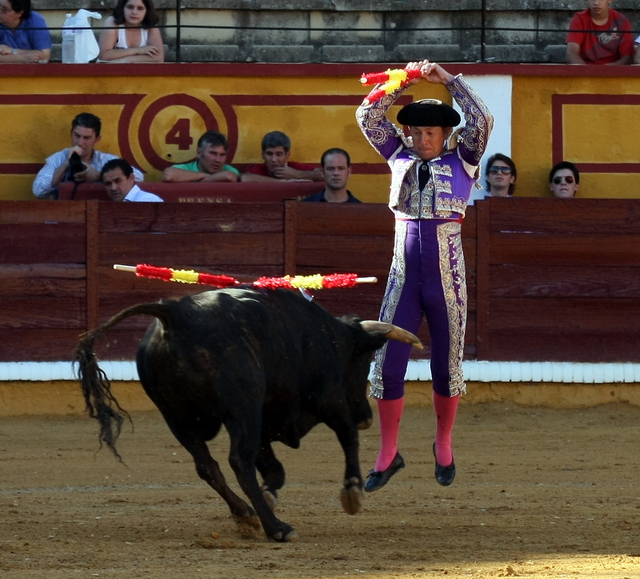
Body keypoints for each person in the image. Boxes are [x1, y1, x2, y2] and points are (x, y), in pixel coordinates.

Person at [356, 59, 493, 492]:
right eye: (415, 131)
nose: (422, 138)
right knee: (386, 367)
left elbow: (483, 118)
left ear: (446, 135)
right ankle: (388, 452)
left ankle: (444, 442)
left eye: (430, 132)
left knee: (444, 367)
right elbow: (367, 115)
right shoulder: (397, 154)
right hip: (402, 283)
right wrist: (403, 81)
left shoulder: (465, 159)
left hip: (447, 284)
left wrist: (447, 80)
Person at [33, 112, 144, 200]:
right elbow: (39, 191)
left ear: (97, 139)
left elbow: (138, 177)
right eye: (77, 136)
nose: (80, 143)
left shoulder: (106, 160)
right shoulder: (58, 159)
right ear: (71, 133)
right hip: (64, 218)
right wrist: (66, 164)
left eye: (87, 138)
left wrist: (100, 176)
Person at [566, 0, 633, 65]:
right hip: (585, 69)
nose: (596, 3)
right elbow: (571, 53)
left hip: (613, 71)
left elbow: (627, 57)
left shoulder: (622, 21)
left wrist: (607, 70)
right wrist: (586, 72)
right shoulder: (579, 19)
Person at [241, 131, 323, 183]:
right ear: (263, 155)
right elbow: (245, 178)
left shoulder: (294, 167)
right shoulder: (259, 169)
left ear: (287, 155)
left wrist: (296, 174)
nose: (273, 159)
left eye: (279, 154)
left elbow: (324, 175)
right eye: (269, 154)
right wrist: (281, 182)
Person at [98, 0, 164, 63]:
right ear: (122, 8)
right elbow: (104, 56)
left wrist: (125, 60)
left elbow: (158, 58)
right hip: (109, 72)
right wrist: (138, 50)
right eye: (130, 7)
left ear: (147, 10)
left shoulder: (151, 26)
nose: (134, 12)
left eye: (140, 8)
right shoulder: (112, 22)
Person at [162, 130, 239, 183]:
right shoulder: (188, 168)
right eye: (213, 153)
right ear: (199, 153)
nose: (218, 160)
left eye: (222, 155)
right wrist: (206, 176)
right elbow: (168, 175)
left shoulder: (226, 169)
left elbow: (229, 176)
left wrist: (197, 181)